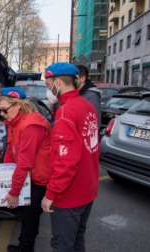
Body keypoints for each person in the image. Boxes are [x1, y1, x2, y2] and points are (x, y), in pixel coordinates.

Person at [41, 63, 100, 252]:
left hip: (69, 195)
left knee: (63, 245)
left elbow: (65, 161)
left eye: (48, 84)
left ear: (58, 82)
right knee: (77, 241)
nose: (48, 89)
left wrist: (50, 195)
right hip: (87, 189)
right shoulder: (87, 105)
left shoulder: (66, 111)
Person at [0, 87, 52, 252]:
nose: (2, 114)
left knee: (30, 217)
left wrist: (14, 192)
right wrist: (5, 173)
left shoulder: (31, 126)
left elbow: (24, 163)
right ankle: (24, 244)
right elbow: (10, 149)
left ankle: (26, 248)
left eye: (4, 110)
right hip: (29, 177)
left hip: (39, 179)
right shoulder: (13, 121)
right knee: (27, 215)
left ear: (18, 105)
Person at [75, 65, 102, 129]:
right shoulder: (81, 93)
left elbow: (94, 123)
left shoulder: (91, 96)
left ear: (82, 79)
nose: (72, 80)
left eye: (74, 78)